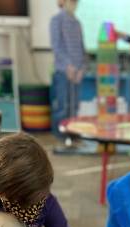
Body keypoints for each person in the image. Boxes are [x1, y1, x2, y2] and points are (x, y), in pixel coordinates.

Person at [49, 0, 86, 135]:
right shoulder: (56, 20)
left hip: (77, 73)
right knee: (63, 107)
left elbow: (82, 48)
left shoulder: (77, 22)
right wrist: (67, 66)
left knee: (74, 107)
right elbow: (56, 47)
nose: (74, 4)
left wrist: (82, 68)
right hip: (63, 72)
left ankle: (72, 136)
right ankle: (60, 138)